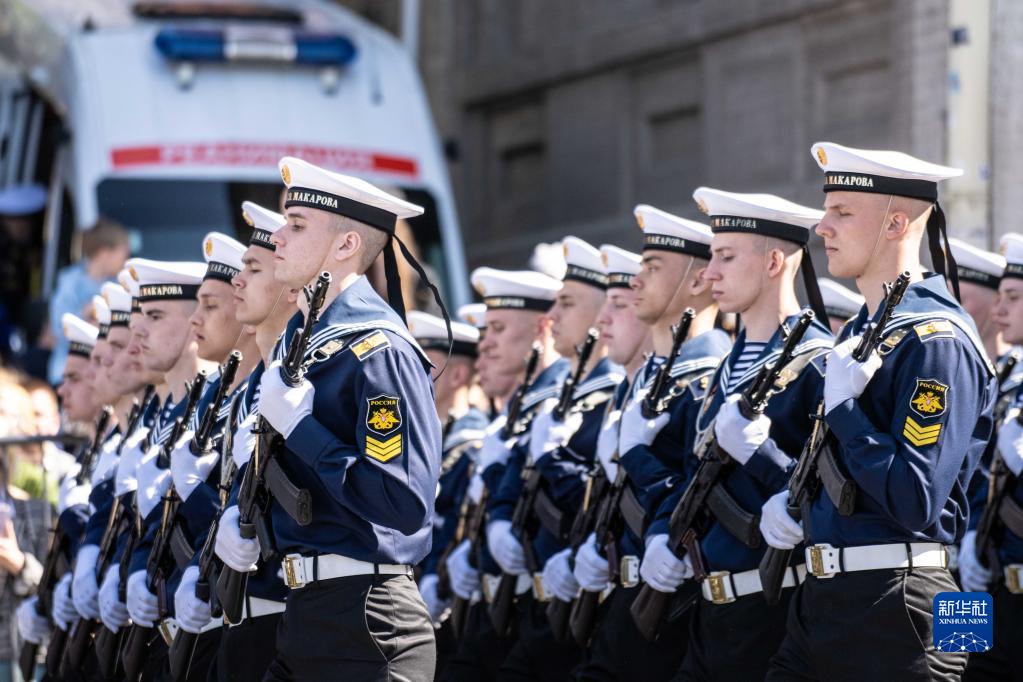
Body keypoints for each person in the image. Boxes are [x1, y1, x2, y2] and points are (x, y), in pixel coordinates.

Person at [763, 142, 997, 681]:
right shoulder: (867, 336)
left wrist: (845, 411)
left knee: (982, 672)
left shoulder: (937, 338)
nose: (823, 227)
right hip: (829, 602)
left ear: (895, 224)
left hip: (912, 605)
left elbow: (917, 499)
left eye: (842, 212)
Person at [215, 157, 444, 680]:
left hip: (367, 622)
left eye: (297, 227)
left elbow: (402, 500)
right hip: (305, 614)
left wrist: (303, 430)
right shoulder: (309, 351)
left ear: (346, 247)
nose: (279, 238)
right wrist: (240, 515)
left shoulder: (376, 350)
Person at [572, 207, 732, 681]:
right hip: (637, 594)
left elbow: (929, 499)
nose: (636, 281)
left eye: (651, 268)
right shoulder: (647, 383)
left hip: (937, 590)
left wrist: (637, 456)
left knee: (953, 665)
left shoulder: (942, 346)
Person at [489, 236, 624, 681]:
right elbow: (514, 481)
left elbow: (594, 500)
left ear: (602, 313)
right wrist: (498, 518)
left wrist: (554, 457)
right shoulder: (560, 403)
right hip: (536, 601)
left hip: (581, 602)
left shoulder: (612, 397)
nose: (554, 316)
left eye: (567, 303)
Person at [442, 267, 565, 682]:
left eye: (497, 329)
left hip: (540, 609)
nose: (485, 344)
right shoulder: (515, 419)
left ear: (542, 329)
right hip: (495, 609)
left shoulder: (555, 408)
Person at [960, 232, 1023, 681]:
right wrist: (966, 536)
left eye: (1013, 297)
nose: (1001, 310)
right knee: (959, 666)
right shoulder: (1004, 381)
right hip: (981, 575)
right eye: (999, 296)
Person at [48, 218, 131, 385]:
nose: (125, 261)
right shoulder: (69, 283)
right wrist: (84, 316)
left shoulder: (121, 284)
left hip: (107, 374)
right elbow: (59, 328)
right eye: (123, 254)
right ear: (105, 253)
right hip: (68, 374)